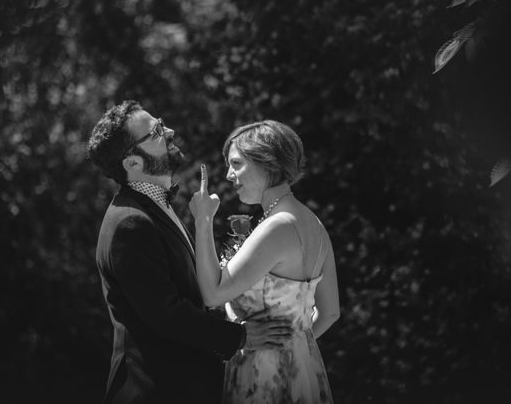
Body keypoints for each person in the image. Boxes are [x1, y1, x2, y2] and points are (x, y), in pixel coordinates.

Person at [87, 101, 292, 404]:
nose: (168, 130)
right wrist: (241, 337)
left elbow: (188, 292)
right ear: (133, 163)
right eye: (156, 132)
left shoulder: (155, 207)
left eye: (160, 122)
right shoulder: (128, 223)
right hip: (155, 391)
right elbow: (167, 313)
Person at [189, 120, 340, 403]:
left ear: (266, 162)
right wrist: (296, 351)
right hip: (305, 373)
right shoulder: (315, 225)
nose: (230, 175)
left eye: (236, 163)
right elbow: (330, 312)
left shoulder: (276, 226)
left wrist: (203, 219)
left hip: (262, 378)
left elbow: (212, 294)